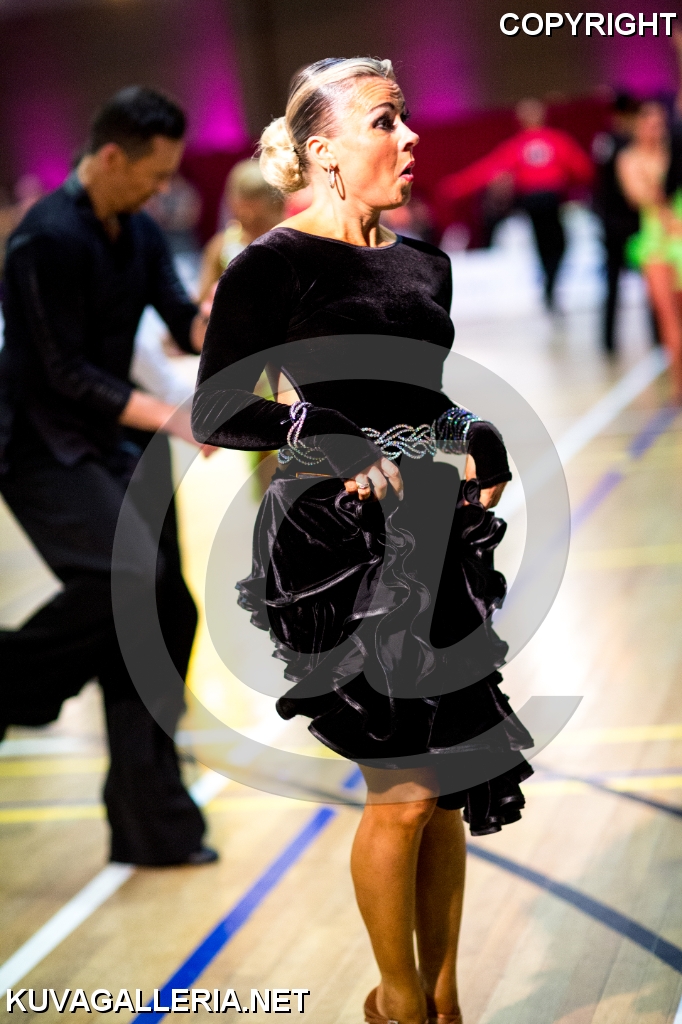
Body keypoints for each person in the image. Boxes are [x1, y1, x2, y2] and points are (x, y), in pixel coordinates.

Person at [193, 57, 532, 1024]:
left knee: (446, 783)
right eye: (385, 120)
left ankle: (441, 998)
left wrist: (471, 430)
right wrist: (314, 426)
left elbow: (417, 406)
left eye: (405, 116)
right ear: (326, 151)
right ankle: (397, 999)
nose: (410, 135)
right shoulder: (272, 265)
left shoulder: (426, 263)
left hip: (433, 532)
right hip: (334, 550)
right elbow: (217, 410)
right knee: (404, 791)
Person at [0, 86, 217, 866]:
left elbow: (179, 316)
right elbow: (62, 374)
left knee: (165, 614)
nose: (163, 190)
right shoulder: (43, 239)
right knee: (129, 579)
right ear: (112, 155)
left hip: (116, 439)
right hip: (39, 445)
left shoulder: (141, 229)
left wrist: (226, 323)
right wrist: (173, 418)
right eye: (154, 175)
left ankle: (150, 824)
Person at [438, 98, 593, 308]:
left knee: (545, 243)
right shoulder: (555, 140)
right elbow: (582, 169)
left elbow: (488, 169)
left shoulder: (520, 145)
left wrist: (457, 185)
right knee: (556, 243)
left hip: (534, 201)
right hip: (548, 199)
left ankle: (549, 283)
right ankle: (551, 282)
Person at [618, 101, 682, 401]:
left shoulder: (674, 154)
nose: (656, 130)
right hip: (655, 242)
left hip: (677, 235)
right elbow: (636, 196)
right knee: (668, 318)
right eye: (650, 124)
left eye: (660, 124)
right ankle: (678, 384)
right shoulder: (631, 159)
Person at [591, 94, 642, 351]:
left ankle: (610, 341)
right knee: (614, 284)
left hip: (626, 222)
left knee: (634, 283)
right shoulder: (613, 143)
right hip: (621, 223)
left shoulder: (612, 142)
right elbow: (601, 187)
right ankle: (609, 341)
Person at [196, 159, 285, 303]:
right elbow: (203, 303)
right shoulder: (221, 247)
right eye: (242, 219)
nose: (249, 227)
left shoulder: (296, 245)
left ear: (279, 207)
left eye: (259, 222)